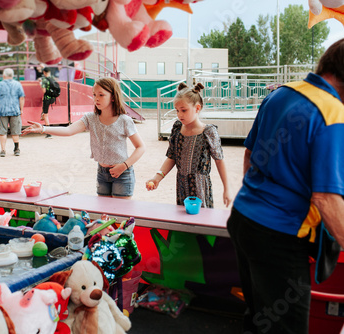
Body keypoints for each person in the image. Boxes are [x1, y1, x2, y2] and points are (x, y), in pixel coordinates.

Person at [227, 38, 344, 334]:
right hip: (278, 236)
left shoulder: (283, 93)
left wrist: (259, 199)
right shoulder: (332, 114)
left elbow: (250, 155)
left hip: (243, 220)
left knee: (259, 318)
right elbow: (327, 198)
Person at [22, 77, 145, 199]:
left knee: (120, 214)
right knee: (104, 214)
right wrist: (43, 129)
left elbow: (140, 147)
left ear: (113, 97)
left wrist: (124, 166)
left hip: (122, 173)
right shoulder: (90, 118)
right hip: (102, 173)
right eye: (94, 94)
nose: (96, 98)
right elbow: (68, 130)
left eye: (101, 95)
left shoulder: (125, 120)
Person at [145, 83, 231, 208]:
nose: (179, 115)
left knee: (201, 220)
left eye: (184, 110)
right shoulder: (177, 129)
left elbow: (219, 161)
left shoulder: (208, 132)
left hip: (201, 187)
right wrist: (157, 178)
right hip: (181, 186)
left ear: (197, 108)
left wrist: (226, 188)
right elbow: (171, 157)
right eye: (177, 110)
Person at [0, 68, 25, 157]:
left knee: (2, 131)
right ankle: (16, 148)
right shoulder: (18, 84)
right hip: (15, 110)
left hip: (2, 111)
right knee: (16, 131)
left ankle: (3, 150)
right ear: (12, 75)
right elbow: (21, 98)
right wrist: (21, 109)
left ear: (4, 75)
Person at [40, 67, 56, 139]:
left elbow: (44, 91)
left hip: (47, 98)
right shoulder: (53, 78)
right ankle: (42, 114)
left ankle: (49, 133)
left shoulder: (44, 80)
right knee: (44, 113)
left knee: (46, 115)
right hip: (53, 98)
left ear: (44, 72)